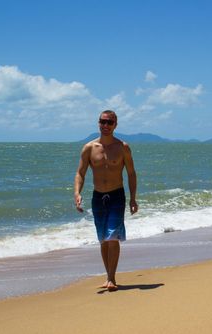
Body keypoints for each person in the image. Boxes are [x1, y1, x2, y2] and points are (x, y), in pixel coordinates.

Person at [74, 110, 138, 291]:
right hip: (98, 197)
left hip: (117, 195)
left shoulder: (123, 147)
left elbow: (131, 173)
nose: (106, 125)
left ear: (116, 124)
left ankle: (111, 278)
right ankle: (108, 275)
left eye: (110, 122)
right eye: (103, 122)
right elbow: (80, 172)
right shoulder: (89, 148)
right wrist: (77, 193)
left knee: (113, 237)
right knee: (103, 238)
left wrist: (133, 198)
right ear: (98, 123)